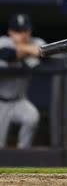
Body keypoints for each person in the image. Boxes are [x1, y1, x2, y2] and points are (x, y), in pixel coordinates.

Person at [0, 14, 43, 148]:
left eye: (25, 31)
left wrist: (26, 49)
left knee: (32, 117)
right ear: (10, 32)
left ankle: (23, 153)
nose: (22, 35)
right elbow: (7, 54)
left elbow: (47, 52)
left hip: (19, 100)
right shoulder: (3, 42)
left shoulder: (37, 42)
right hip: (0, 102)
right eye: (18, 31)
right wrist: (29, 50)